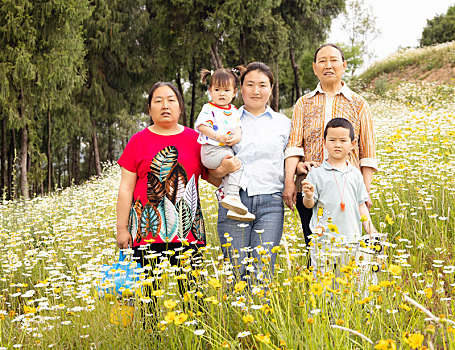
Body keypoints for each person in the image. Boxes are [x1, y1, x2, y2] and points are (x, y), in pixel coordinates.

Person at [116, 82, 239, 325]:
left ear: (180, 107)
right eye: (158, 100)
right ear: (149, 108)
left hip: (188, 231)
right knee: (148, 299)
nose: (165, 105)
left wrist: (226, 168)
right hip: (146, 232)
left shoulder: (196, 139)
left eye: (171, 100)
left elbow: (213, 177)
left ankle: (197, 337)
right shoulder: (138, 141)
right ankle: (152, 341)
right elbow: (126, 188)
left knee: (193, 297)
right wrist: (122, 229)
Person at [284, 43, 378, 247]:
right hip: (309, 189)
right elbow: (294, 146)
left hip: (348, 189)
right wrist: (290, 182)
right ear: (314, 67)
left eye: (334, 60)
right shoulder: (303, 103)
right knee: (314, 246)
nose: (328, 65)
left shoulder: (359, 104)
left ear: (343, 65)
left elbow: (368, 152)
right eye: (322, 61)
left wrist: (365, 191)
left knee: (349, 244)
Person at [217, 62, 291, 284]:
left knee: (262, 271)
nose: (256, 91)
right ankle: (237, 318)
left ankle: (259, 317)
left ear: (271, 88)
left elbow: (290, 158)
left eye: (262, 85)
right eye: (250, 84)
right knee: (236, 270)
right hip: (235, 202)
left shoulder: (284, 123)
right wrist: (222, 170)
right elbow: (211, 163)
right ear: (240, 89)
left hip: (271, 204)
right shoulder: (226, 121)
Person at [302, 118, 378, 283]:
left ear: (352, 144)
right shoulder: (316, 173)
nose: (337, 145)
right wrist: (308, 195)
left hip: (351, 240)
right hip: (323, 241)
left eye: (343, 141)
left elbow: (361, 205)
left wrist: (371, 231)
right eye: (332, 140)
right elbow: (309, 205)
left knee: (349, 284)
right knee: (322, 285)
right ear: (324, 142)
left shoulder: (356, 174)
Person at [194, 68, 254, 221]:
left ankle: (232, 205)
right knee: (236, 164)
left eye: (226, 90)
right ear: (210, 91)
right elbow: (201, 126)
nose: (221, 94)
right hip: (211, 151)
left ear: (234, 92)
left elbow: (238, 129)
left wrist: (236, 137)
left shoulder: (233, 110)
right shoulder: (209, 108)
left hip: (224, 149)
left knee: (231, 168)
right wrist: (217, 136)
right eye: (217, 89)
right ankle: (232, 196)